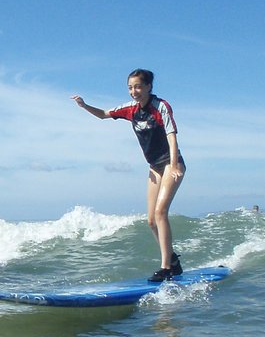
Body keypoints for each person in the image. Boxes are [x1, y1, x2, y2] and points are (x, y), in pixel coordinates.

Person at [71, 69, 186, 282]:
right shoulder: (130, 109)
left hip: (170, 164)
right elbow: (104, 114)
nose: (134, 91)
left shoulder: (161, 106)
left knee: (161, 212)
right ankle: (173, 260)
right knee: (151, 220)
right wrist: (85, 106)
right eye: (131, 87)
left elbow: (171, 135)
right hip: (154, 167)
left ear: (149, 86)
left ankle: (166, 267)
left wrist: (175, 164)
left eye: (138, 86)